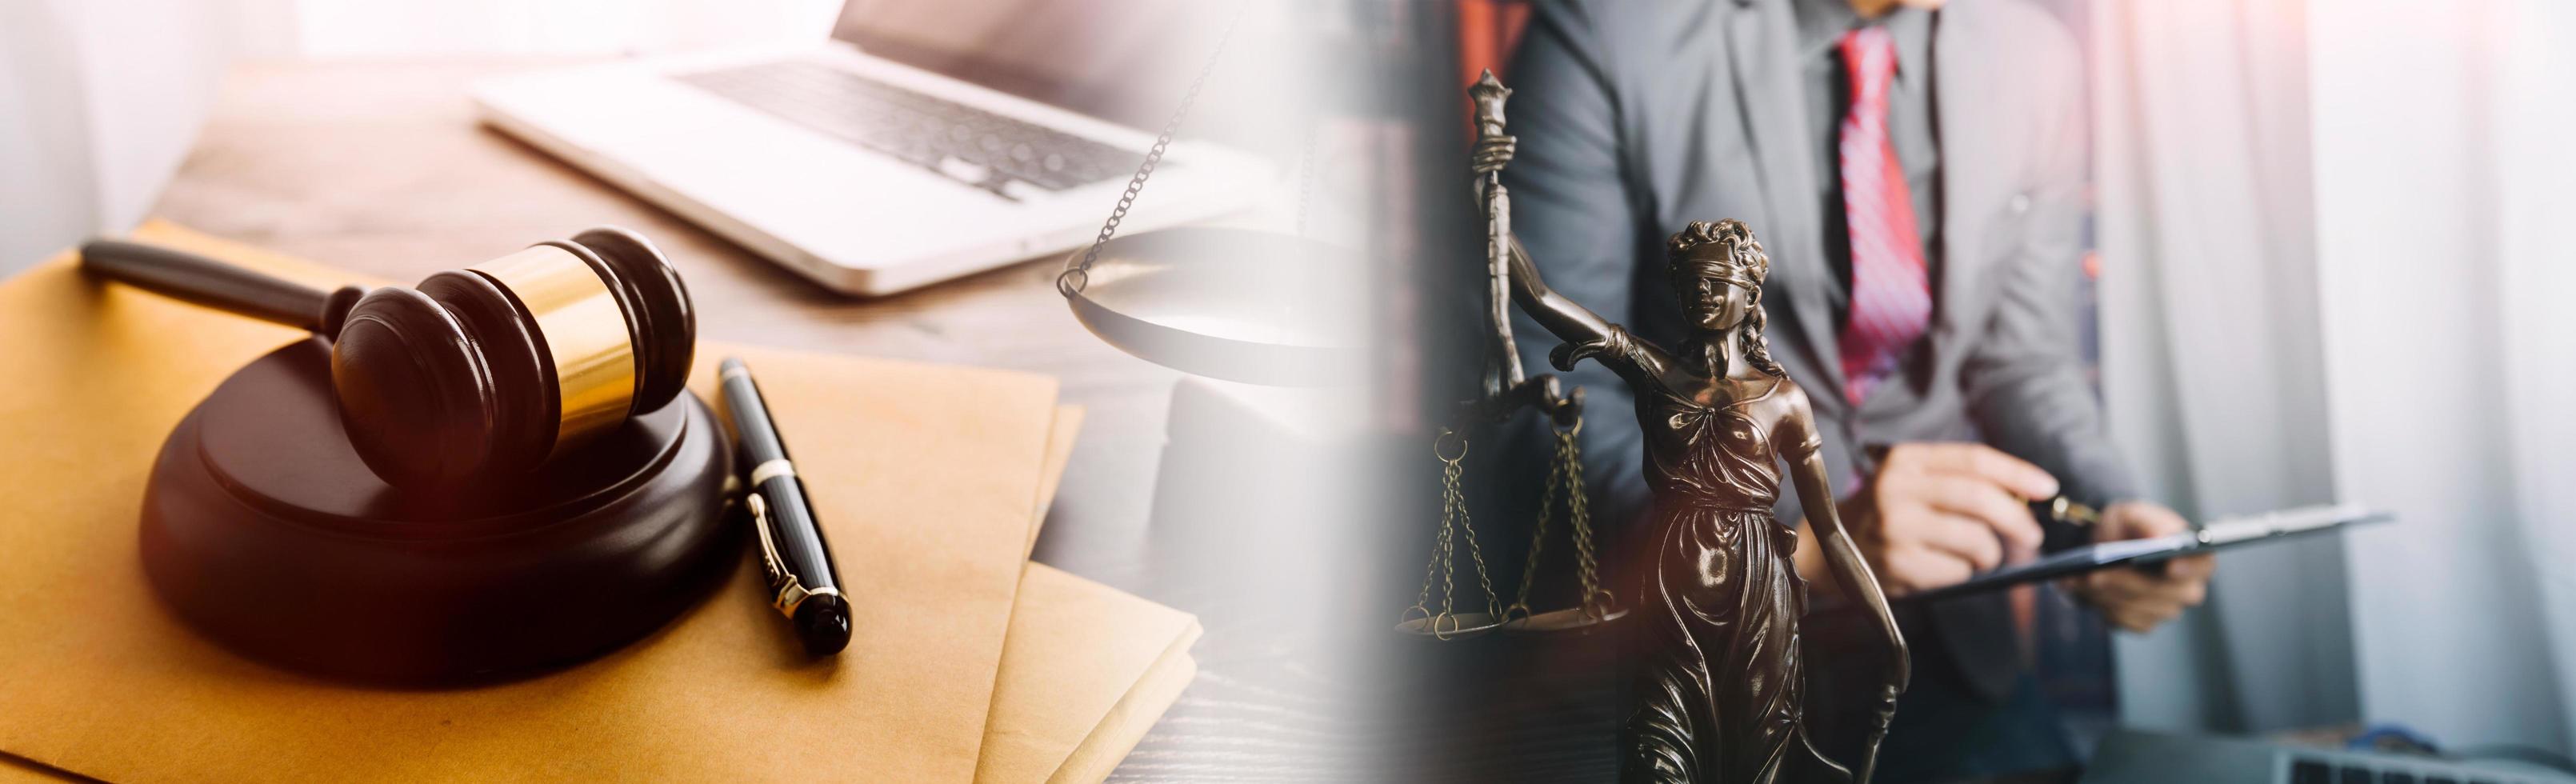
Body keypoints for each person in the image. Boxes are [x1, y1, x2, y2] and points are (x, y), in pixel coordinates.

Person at [1498, 0, 2217, 778]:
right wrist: (1795, 552)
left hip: (1940, 644)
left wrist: (2100, 518)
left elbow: (2018, 358)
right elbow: (1548, 390)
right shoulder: (1609, 31)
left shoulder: (2035, 53)